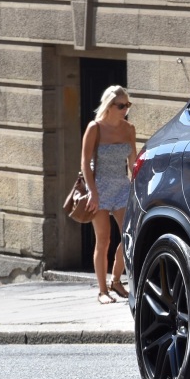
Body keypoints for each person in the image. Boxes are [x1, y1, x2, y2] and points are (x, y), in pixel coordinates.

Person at [80, 86, 137, 304]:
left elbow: (132, 161)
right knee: (103, 240)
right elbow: (85, 162)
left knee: (128, 236)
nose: (125, 109)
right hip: (99, 187)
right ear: (109, 105)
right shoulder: (95, 127)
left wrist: (137, 186)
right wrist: (92, 192)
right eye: (121, 106)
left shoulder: (128, 129)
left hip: (122, 186)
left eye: (127, 105)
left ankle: (116, 279)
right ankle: (102, 291)